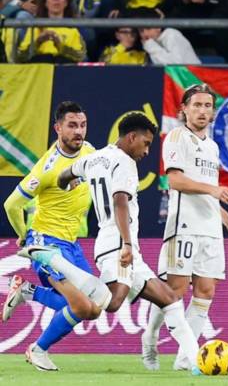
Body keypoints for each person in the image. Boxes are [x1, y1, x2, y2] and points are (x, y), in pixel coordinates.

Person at [17, 112, 203, 375]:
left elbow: (64, 175)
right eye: (146, 143)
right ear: (131, 137)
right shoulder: (125, 163)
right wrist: (127, 243)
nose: (147, 150)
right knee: (111, 303)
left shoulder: (94, 157)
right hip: (118, 241)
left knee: (169, 299)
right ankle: (53, 260)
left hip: (114, 241)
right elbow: (120, 201)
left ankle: (195, 362)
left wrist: (70, 185)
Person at [141, 84, 228, 371]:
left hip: (210, 229)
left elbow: (209, 193)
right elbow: (175, 181)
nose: (202, 111)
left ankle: (185, 359)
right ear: (184, 108)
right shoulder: (177, 137)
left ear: (213, 112)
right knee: (173, 292)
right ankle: (149, 336)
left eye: (207, 106)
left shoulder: (212, 147)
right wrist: (213, 190)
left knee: (206, 291)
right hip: (184, 226)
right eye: (196, 105)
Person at [2, 101, 103, 372]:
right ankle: (37, 350)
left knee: (94, 308)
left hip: (71, 244)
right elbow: (11, 205)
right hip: (46, 244)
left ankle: (28, 292)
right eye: (72, 125)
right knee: (81, 306)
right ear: (58, 128)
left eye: (82, 125)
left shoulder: (90, 151)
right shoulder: (47, 167)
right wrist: (24, 236)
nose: (78, 131)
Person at [16, 0, 87, 63]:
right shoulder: (34, 28)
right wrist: (38, 42)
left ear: (66, 3)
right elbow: (21, 57)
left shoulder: (73, 31)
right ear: (46, 3)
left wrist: (60, 46)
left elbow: (80, 57)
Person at [135, 8, 201, 65]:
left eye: (148, 28)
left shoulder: (171, 34)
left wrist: (151, 47)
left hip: (193, 78)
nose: (145, 34)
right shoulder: (150, 43)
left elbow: (176, 67)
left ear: (158, 26)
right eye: (141, 30)